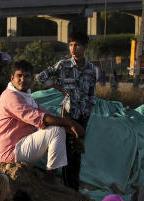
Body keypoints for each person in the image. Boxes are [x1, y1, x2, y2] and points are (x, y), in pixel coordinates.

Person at [0, 61, 84, 171]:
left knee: (58, 127)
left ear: (31, 79)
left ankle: (61, 172)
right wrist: (70, 123)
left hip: (20, 145)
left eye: (27, 76)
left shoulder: (26, 96)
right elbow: (39, 118)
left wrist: (71, 129)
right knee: (56, 130)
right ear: (12, 77)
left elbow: (45, 113)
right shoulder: (10, 96)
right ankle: (51, 176)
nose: (23, 79)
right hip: (10, 152)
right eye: (19, 76)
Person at [36, 30, 99, 190]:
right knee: (68, 150)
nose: (73, 48)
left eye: (76, 45)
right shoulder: (63, 65)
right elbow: (41, 76)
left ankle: (74, 188)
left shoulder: (92, 69)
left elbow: (92, 94)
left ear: (85, 47)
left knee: (77, 152)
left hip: (84, 115)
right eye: (70, 45)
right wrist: (59, 88)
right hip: (69, 114)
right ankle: (68, 188)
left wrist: (89, 110)